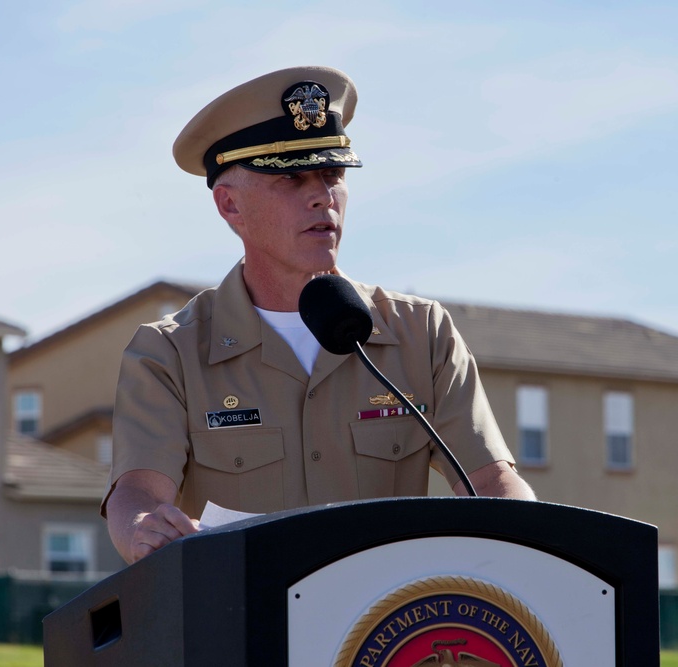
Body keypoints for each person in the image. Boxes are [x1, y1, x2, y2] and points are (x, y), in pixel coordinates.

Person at [102, 66, 535, 564]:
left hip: (387, 627)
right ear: (229, 205)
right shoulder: (170, 353)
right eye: (291, 178)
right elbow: (137, 494)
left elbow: (491, 481)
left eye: (333, 175)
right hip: (242, 624)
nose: (322, 196)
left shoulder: (421, 333)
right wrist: (142, 528)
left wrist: (528, 546)